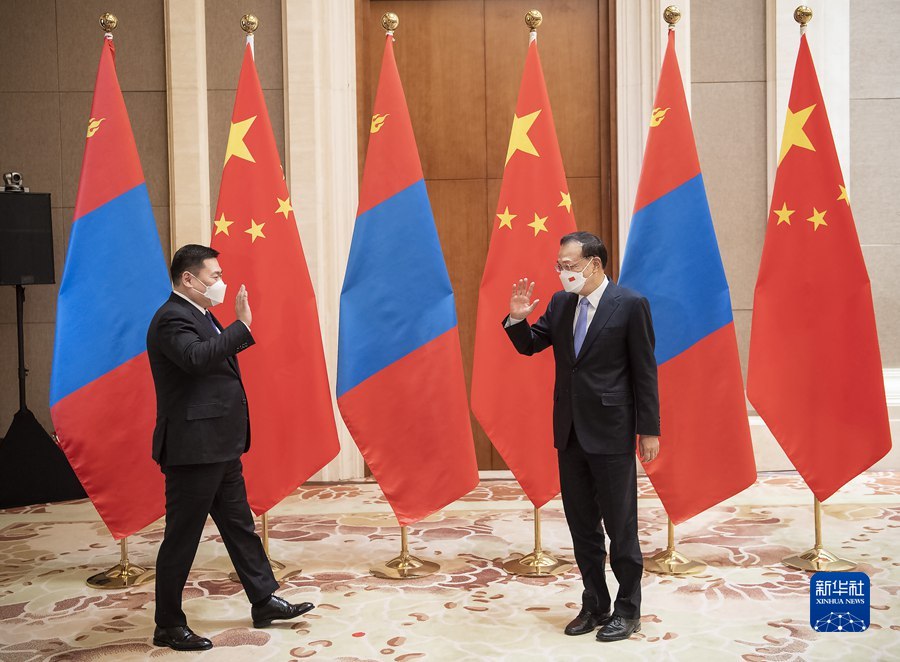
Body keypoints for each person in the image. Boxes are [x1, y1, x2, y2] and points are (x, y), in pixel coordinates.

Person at [146, 244, 313, 651]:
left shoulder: (202, 314)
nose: (221, 282)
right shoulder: (171, 317)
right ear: (189, 279)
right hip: (193, 449)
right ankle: (168, 623)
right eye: (215, 276)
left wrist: (235, 329)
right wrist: (242, 326)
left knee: (240, 527)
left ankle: (264, 600)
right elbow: (195, 359)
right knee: (182, 538)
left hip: (220, 445)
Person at [503, 231, 660, 643]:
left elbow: (645, 371)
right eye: (559, 266)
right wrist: (517, 320)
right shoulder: (561, 303)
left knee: (620, 528)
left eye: (570, 266)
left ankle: (628, 610)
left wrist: (649, 430)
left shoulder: (629, 304)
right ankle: (595, 603)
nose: (563, 273)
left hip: (611, 431)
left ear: (595, 264)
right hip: (571, 432)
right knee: (582, 527)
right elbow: (531, 345)